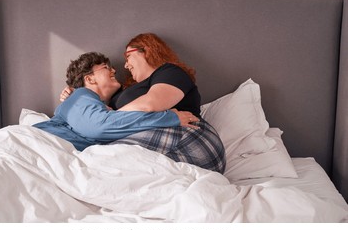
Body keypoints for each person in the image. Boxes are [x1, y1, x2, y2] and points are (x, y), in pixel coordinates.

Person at [59, 33, 226, 173]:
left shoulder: (170, 71)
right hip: (161, 143)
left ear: (146, 51)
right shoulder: (124, 92)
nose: (124, 65)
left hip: (188, 136)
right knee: (95, 162)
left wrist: (109, 118)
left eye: (128, 56)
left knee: (96, 162)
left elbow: (150, 104)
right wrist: (74, 96)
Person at [34, 52, 199, 151]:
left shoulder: (94, 106)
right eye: (106, 67)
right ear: (89, 79)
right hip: (37, 143)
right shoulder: (80, 95)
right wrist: (169, 117)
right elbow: (100, 127)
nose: (114, 70)